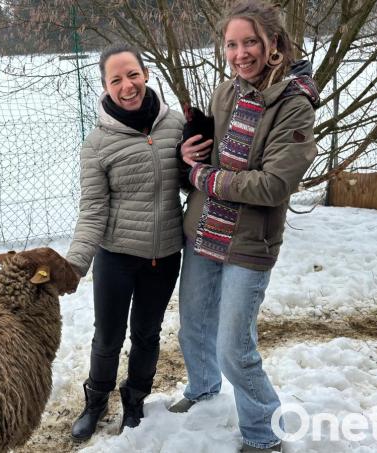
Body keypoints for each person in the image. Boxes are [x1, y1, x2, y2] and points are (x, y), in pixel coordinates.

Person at [171, 1, 320, 452]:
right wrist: (188, 157)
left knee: (235, 348)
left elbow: (274, 184)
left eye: (250, 42)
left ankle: (264, 432)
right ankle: (202, 387)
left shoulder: (294, 104)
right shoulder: (226, 92)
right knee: (194, 325)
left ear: (274, 43)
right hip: (204, 231)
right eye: (232, 44)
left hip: (249, 243)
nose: (241, 53)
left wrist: (204, 178)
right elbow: (208, 157)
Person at [65, 42, 185, 441]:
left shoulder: (175, 126)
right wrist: (75, 264)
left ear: (146, 74)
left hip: (165, 255)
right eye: (116, 79)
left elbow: (192, 179)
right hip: (116, 257)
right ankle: (95, 403)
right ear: (105, 86)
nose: (127, 85)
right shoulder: (97, 144)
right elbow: (92, 211)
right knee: (108, 337)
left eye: (132, 74)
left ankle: (134, 402)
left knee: (148, 334)